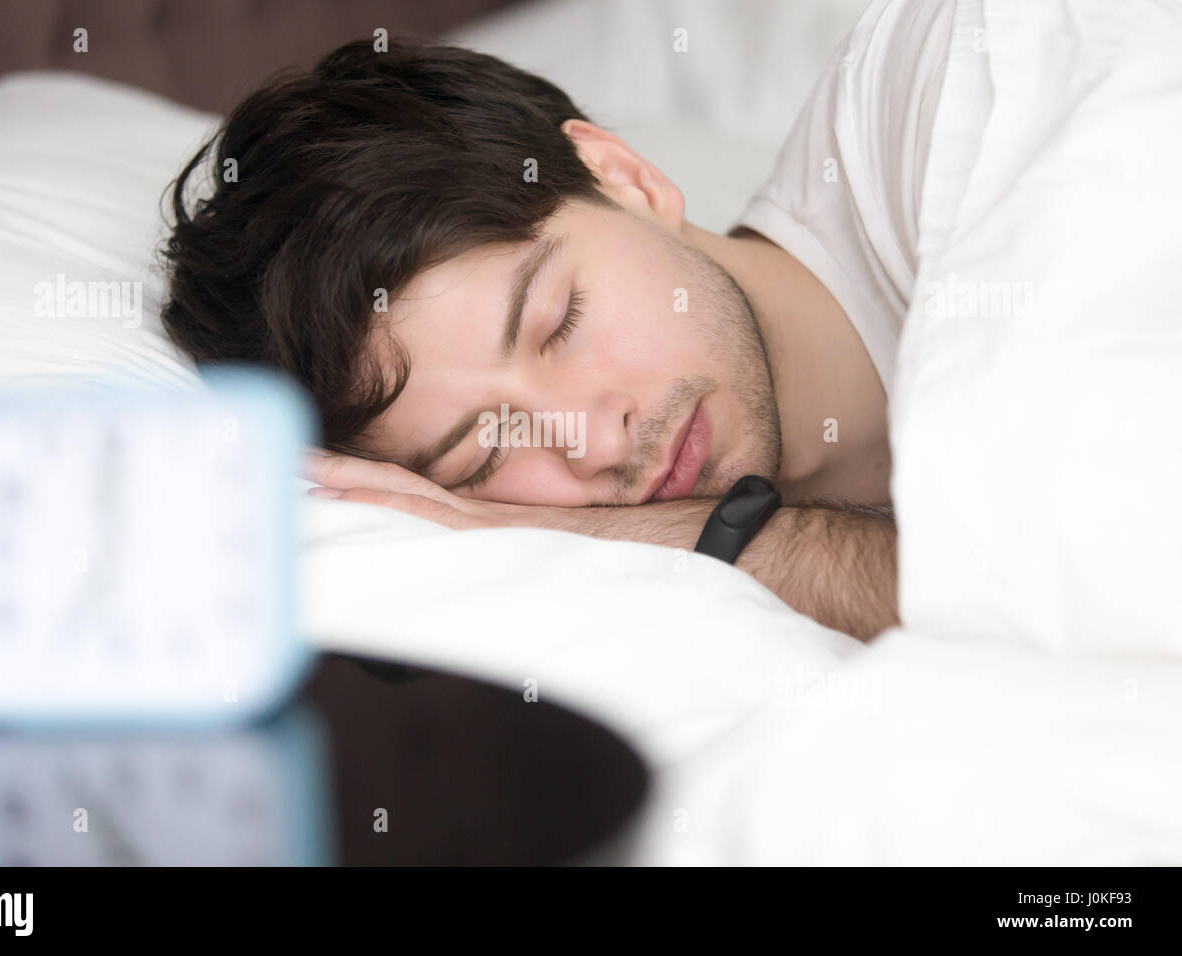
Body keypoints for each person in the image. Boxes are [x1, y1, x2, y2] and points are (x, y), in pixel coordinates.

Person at [159, 0, 956, 641]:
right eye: (486, 453)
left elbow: (1059, 591)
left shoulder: (959, 90)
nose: (594, 440)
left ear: (625, 177)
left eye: (559, 322)